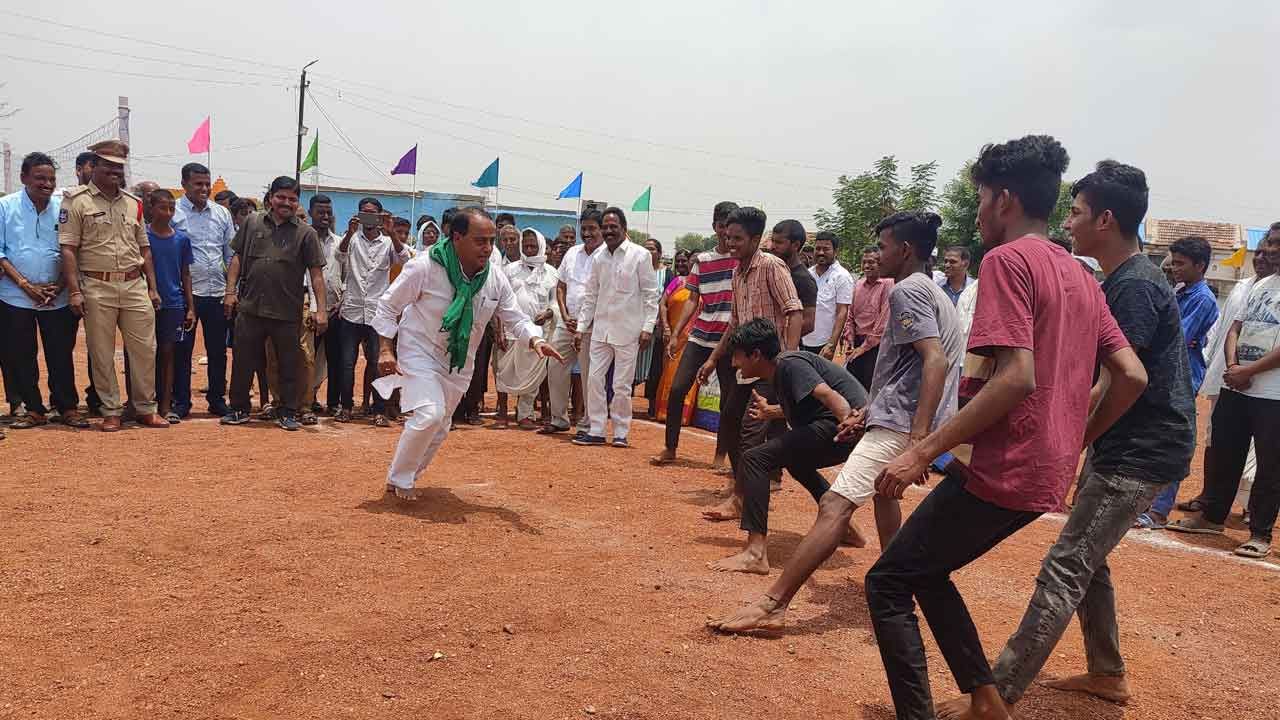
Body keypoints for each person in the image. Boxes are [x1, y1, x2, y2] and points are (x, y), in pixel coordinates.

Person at [863, 135, 1144, 720]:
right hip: (1043, 467)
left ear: (1005, 201)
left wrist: (921, 452)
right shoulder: (1081, 275)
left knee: (888, 581)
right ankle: (988, 700)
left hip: (1004, 465)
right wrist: (1074, 440)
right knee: (925, 568)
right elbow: (1131, 375)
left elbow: (1015, 378)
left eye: (982, 198)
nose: (977, 211)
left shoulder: (1008, 261)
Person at [929, 160, 1192, 719]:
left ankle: (997, 693)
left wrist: (1070, 440)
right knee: (1089, 560)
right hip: (1128, 443)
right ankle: (1107, 672)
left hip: (1139, 449)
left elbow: (1116, 379)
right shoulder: (1114, 280)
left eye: (1075, 214)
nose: (1067, 224)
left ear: (1106, 218)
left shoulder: (1136, 287)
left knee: (1067, 564)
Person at [710, 210, 963, 627]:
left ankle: (773, 605)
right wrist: (869, 412)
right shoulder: (930, 291)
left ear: (905, 249)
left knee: (834, 505)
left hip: (902, 422)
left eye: (882, 247)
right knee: (883, 496)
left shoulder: (908, 292)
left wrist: (919, 441)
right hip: (896, 416)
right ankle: (897, 581)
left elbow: (933, 360)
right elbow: (913, 369)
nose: (876, 255)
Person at [373, 208, 563, 500]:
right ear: (456, 237)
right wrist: (386, 350)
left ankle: (407, 474)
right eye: (480, 241)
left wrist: (536, 341)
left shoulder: (494, 278)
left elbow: (515, 317)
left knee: (441, 424)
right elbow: (388, 306)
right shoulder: (423, 267)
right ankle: (400, 479)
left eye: (491, 241)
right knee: (429, 414)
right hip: (419, 349)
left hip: (460, 360)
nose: (488, 248)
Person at [700, 318, 871, 576]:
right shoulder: (779, 372)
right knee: (796, 461)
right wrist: (773, 412)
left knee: (755, 459)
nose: (734, 363)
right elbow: (809, 403)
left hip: (843, 425)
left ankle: (755, 553)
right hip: (838, 426)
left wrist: (849, 422)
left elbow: (828, 396)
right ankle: (845, 526)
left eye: (737, 357)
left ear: (756, 354)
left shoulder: (790, 363)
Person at [1168, 228, 1280, 558]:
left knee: (1270, 466)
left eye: (1277, 245)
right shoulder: (1261, 285)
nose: (1270, 250)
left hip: (1273, 394)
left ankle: (1259, 533)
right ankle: (1213, 517)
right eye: (1269, 244)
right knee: (1224, 453)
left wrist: (1249, 371)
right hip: (1238, 385)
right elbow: (1235, 327)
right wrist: (1233, 366)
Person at [697, 206, 803, 520]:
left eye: (738, 238)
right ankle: (743, 487)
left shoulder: (771, 266)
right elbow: (734, 323)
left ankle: (741, 496)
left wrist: (789, 358)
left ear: (756, 238)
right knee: (729, 421)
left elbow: (793, 311)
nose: (730, 243)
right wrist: (713, 358)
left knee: (751, 432)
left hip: (771, 366)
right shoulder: (736, 271)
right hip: (745, 366)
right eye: (728, 237)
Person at [58, 140, 168, 431]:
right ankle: (111, 410)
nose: (115, 172)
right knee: (102, 351)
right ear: (93, 166)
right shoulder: (76, 200)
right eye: (108, 166)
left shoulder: (134, 204)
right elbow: (68, 248)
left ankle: (145, 408)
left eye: (119, 167)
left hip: (134, 285)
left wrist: (152, 288)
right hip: (97, 285)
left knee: (145, 349)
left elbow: (144, 249)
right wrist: (75, 291)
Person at [221, 176, 328, 431]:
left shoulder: (306, 233)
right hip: (250, 307)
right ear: (270, 197)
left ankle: (288, 412)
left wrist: (321, 310)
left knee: (289, 363)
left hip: (287, 311)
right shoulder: (252, 222)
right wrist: (229, 292)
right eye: (281, 197)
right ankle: (239, 408)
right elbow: (237, 258)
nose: (286, 203)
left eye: (292, 199)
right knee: (243, 361)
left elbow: (316, 275)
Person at [1177, 248, 1272, 519]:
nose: (1262, 257)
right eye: (1261, 251)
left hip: (1266, 384)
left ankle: (1250, 507)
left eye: (1271, 251)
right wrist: (1226, 367)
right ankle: (1210, 498)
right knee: (1217, 440)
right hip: (1228, 376)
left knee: (1261, 452)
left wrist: (1247, 370)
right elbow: (1225, 330)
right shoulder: (1245, 287)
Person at [650, 201, 740, 469]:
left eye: (731, 227)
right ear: (715, 227)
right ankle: (670, 447)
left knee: (729, 398)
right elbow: (692, 298)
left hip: (731, 340)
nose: (726, 232)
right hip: (700, 335)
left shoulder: (742, 261)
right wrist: (676, 332)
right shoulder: (702, 261)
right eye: (722, 226)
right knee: (678, 389)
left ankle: (721, 454)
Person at [0, 152, 86, 429]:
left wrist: (60, 285)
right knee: (22, 354)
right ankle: (33, 409)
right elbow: (0, 253)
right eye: (40, 178)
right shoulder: (5, 207)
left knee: (60, 353)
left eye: (51, 179)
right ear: (24, 178)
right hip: (15, 296)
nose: (46, 184)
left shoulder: (64, 208)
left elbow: (73, 248)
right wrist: (25, 285)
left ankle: (67, 406)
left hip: (57, 297)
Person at [572, 207, 660, 447]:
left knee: (621, 384)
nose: (609, 231)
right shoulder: (598, 257)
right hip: (601, 330)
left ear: (624, 228)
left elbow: (651, 295)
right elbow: (591, 295)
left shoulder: (640, 255)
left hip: (629, 332)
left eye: (614, 227)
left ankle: (621, 432)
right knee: (594, 379)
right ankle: (597, 430)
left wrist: (648, 328)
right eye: (606, 227)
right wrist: (581, 328)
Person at [334, 198, 408, 427]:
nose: (368, 217)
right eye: (364, 213)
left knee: (378, 363)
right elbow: (339, 256)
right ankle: (346, 407)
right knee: (347, 362)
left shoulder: (387, 243)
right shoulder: (352, 239)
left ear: (379, 216)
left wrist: (392, 232)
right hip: (352, 310)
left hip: (377, 312)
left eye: (372, 213)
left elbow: (404, 258)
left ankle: (379, 410)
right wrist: (349, 232)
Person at [171, 162, 235, 418]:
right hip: (186, 295)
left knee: (218, 350)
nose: (204, 189)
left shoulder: (221, 213)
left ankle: (217, 399)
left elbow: (230, 255)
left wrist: (232, 290)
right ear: (184, 184)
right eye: (198, 184)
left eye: (207, 184)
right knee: (182, 350)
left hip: (217, 292)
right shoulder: (173, 212)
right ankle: (181, 402)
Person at [543, 208, 605, 435]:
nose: (587, 233)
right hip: (566, 323)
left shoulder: (607, 256)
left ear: (601, 230)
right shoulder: (572, 253)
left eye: (592, 229)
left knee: (590, 374)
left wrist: (583, 321)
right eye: (584, 228)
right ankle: (559, 419)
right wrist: (565, 315)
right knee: (555, 366)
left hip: (591, 327)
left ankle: (589, 422)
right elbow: (561, 287)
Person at [496, 228, 559, 429]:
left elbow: (556, 301)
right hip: (511, 330)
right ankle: (503, 413)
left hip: (539, 333)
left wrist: (549, 313)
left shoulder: (551, 273)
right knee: (503, 370)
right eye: (526, 246)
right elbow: (499, 302)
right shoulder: (510, 270)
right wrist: (498, 330)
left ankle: (525, 414)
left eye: (533, 246)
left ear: (540, 246)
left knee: (533, 373)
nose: (529, 250)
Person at [145, 190, 195, 424]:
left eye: (171, 209)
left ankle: (165, 405)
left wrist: (190, 307)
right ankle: (141, 402)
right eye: (162, 208)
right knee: (143, 354)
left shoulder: (182, 239)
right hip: (144, 302)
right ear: (151, 207)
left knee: (167, 354)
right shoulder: (142, 236)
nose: (167, 213)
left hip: (173, 303)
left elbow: (186, 274)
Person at [306, 195, 345, 416]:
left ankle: (333, 403)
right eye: (320, 212)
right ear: (311, 213)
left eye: (328, 212)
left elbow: (347, 274)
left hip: (335, 310)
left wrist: (342, 302)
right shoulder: (303, 239)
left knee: (335, 359)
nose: (325, 216)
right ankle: (307, 399)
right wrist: (312, 307)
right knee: (307, 358)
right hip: (309, 310)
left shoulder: (340, 243)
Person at [654, 250, 697, 424]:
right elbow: (663, 303)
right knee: (670, 373)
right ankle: (665, 411)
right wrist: (665, 327)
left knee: (689, 376)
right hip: (673, 336)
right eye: (692, 261)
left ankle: (684, 415)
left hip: (695, 338)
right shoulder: (678, 282)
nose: (694, 265)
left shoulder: (706, 286)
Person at [844, 248, 893, 392]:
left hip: (877, 346)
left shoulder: (888, 284)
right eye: (864, 262)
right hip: (857, 343)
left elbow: (883, 323)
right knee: (853, 386)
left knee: (872, 387)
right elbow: (850, 315)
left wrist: (863, 348)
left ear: (880, 263)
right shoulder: (858, 284)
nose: (866, 266)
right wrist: (851, 339)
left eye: (871, 262)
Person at [801, 231, 854, 358]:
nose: (820, 252)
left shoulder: (842, 276)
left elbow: (842, 312)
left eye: (826, 249)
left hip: (823, 344)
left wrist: (831, 344)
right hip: (802, 339)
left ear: (836, 251)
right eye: (817, 248)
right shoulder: (807, 274)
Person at [769, 219, 818, 339]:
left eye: (779, 242)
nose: (772, 247)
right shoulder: (771, 270)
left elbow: (808, 323)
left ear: (795, 245)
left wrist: (778, 341)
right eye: (773, 241)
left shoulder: (804, 280)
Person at [639, 238, 671, 417]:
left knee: (654, 368)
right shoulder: (636, 269)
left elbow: (667, 300)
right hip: (635, 326)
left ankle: (652, 405)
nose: (648, 252)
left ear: (659, 253)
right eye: (645, 249)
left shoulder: (666, 274)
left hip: (656, 330)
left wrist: (659, 321)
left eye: (651, 249)